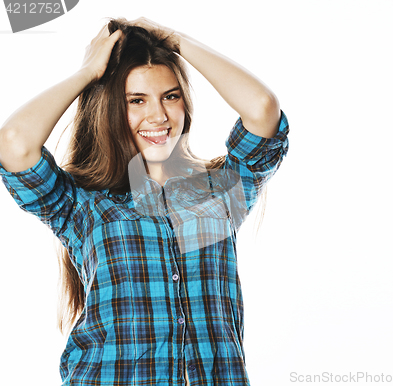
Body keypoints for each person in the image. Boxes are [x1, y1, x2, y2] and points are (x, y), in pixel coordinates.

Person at [0, 17, 289, 386]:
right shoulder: (81, 205)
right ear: (110, 109)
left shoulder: (221, 190)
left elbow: (263, 108)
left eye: (171, 96)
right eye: (136, 100)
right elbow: (14, 142)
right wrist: (89, 72)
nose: (159, 115)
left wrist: (176, 41)